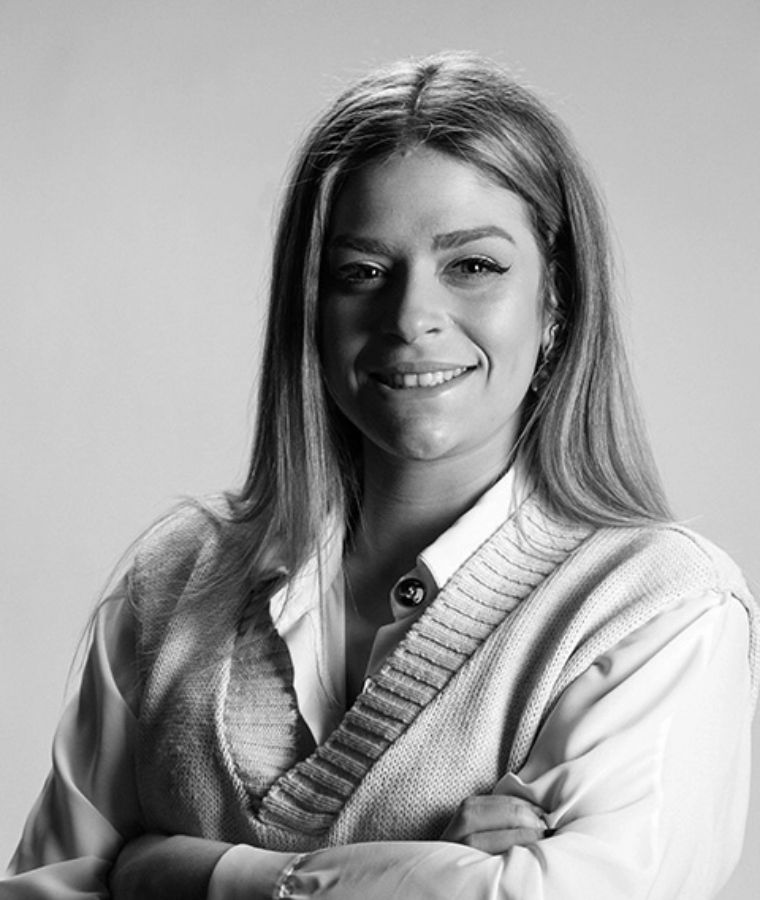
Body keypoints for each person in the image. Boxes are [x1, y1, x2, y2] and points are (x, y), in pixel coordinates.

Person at [4, 52, 759, 900]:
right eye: (361, 273)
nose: (410, 318)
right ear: (310, 309)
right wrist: (422, 872)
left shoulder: (656, 607)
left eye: (473, 266)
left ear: (557, 304)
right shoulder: (177, 581)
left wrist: (182, 875)